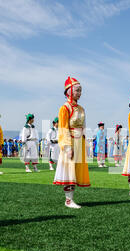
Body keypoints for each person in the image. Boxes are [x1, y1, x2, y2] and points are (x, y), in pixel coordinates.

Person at [53, 76, 90, 208]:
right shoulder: (65, 108)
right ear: (69, 91)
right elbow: (63, 128)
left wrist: (86, 142)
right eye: (77, 90)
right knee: (69, 170)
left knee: (76, 170)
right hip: (70, 142)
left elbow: (84, 126)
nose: (79, 93)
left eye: (80, 90)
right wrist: (67, 147)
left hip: (80, 141)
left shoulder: (81, 108)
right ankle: (68, 200)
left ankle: (71, 198)